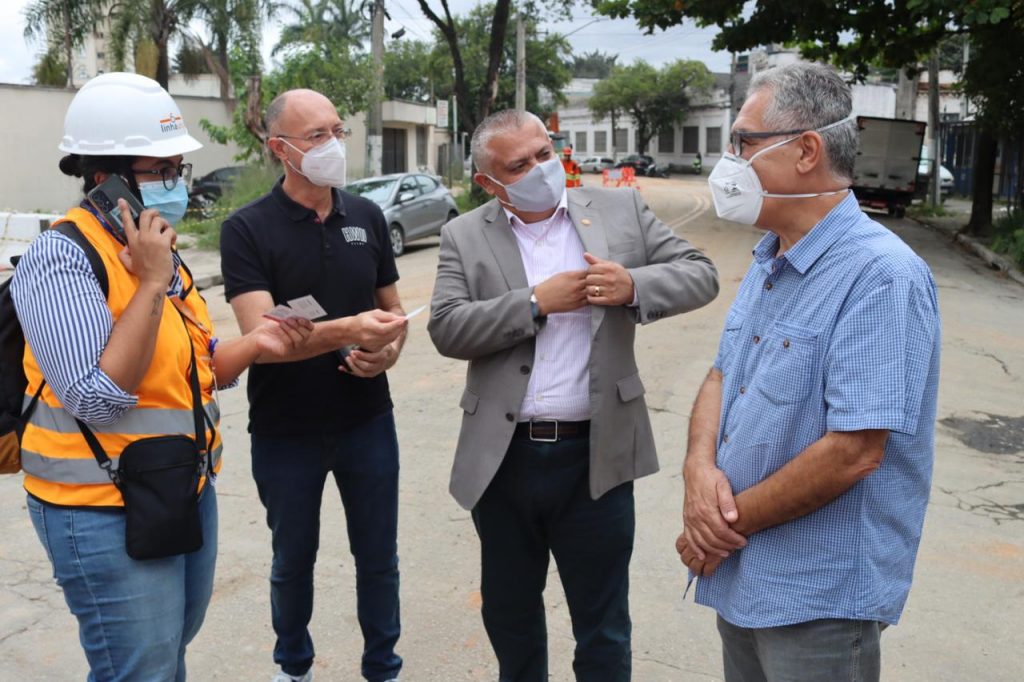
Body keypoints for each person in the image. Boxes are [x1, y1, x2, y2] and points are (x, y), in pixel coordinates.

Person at [11, 72, 311, 681]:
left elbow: (197, 371)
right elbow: (95, 398)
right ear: (108, 176)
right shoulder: (61, 256)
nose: (176, 186)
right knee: (140, 669)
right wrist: (148, 280)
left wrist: (255, 343)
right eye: (162, 171)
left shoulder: (160, 252)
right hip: (100, 505)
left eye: (179, 169)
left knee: (166, 654)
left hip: (179, 487)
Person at [428, 109, 719, 681]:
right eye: (520, 164)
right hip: (504, 460)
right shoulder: (464, 234)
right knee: (511, 617)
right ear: (489, 182)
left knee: (604, 623)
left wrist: (633, 283)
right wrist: (535, 303)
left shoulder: (618, 209)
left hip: (597, 456)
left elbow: (700, 272)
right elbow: (446, 327)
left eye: (544, 152)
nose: (541, 168)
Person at [676, 62, 941, 682]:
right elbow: (722, 374)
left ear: (806, 150)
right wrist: (697, 472)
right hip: (743, 576)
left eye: (743, 141)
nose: (730, 161)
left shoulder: (880, 276)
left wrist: (720, 524)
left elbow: (853, 451)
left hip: (817, 593)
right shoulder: (774, 255)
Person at [219, 88, 409, 682]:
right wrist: (349, 328)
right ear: (280, 149)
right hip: (286, 430)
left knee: (378, 559)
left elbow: (394, 314)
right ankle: (293, 667)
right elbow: (262, 338)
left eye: (337, 131)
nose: (333, 145)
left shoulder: (368, 217)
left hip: (367, 421)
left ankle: (383, 667)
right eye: (316, 136)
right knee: (292, 559)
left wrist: (387, 352)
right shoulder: (247, 229)